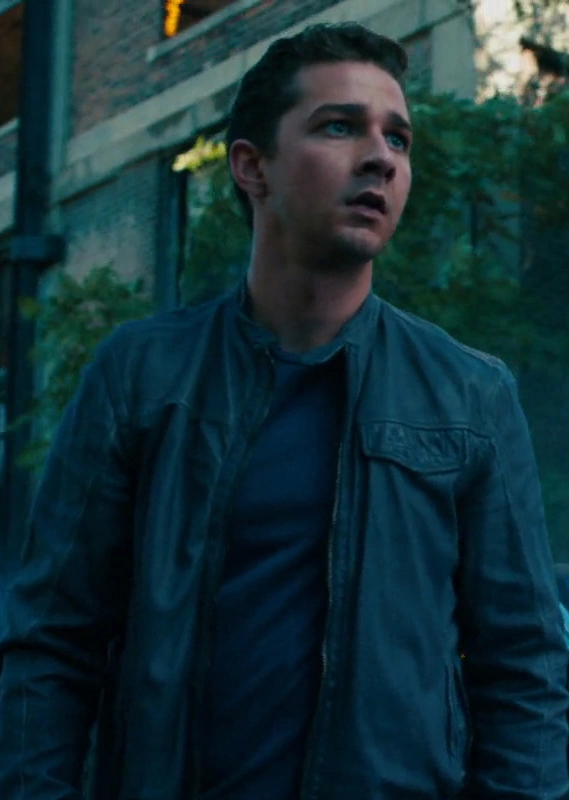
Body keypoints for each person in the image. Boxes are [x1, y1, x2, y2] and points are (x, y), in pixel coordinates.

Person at [0, 21, 567, 800]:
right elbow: (50, 643)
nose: (380, 157)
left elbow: (523, 662)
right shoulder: (141, 375)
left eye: (397, 138)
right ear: (250, 166)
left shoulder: (469, 393)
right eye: (339, 126)